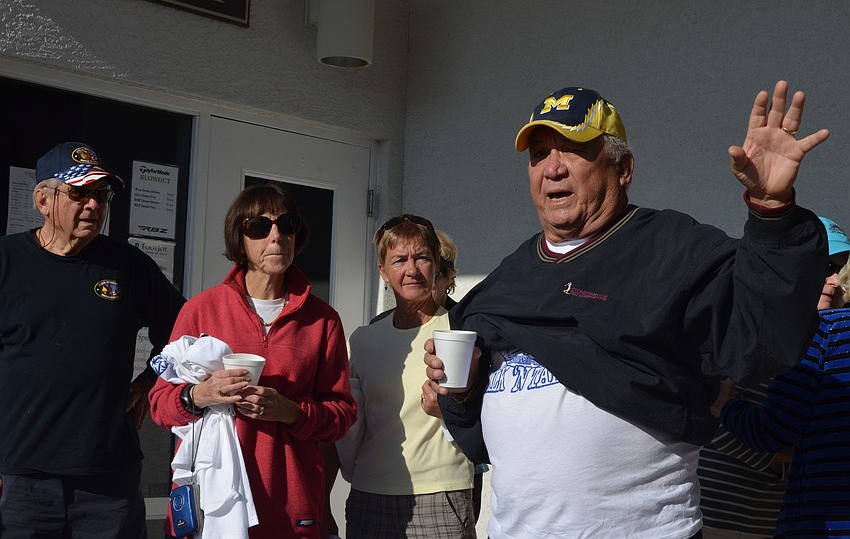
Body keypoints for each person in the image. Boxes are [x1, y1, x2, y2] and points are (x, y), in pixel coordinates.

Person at [423, 82, 830, 538]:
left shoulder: (675, 251)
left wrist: (771, 211)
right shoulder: (503, 285)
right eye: (539, 154)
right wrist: (456, 396)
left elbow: (763, 343)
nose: (552, 168)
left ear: (623, 168)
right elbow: (479, 441)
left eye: (573, 149)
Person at [149, 183, 356, 539]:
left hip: (289, 506)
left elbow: (342, 415)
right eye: (259, 227)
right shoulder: (201, 310)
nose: (275, 236)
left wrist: (292, 412)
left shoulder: (323, 320)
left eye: (286, 224)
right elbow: (160, 404)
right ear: (240, 238)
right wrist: (199, 395)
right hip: (210, 504)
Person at [0, 141, 185, 538]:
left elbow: (181, 330)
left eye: (101, 194)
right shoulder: (7, 261)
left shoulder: (128, 264)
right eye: (79, 192)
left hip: (108, 479)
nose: (93, 204)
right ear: (43, 201)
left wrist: (152, 379)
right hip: (20, 475)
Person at [699, 216, 850, 539]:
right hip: (722, 512)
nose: (836, 281)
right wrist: (780, 456)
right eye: (824, 268)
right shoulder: (738, 330)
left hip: (785, 514)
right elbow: (705, 413)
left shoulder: (827, 334)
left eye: (841, 268)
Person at [327, 215, 475, 539]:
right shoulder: (364, 339)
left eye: (422, 257)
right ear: (382, 271)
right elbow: (352, 425)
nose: (411, 269)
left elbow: (485, 418)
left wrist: (450, 409)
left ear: (437, 264)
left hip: (440, 493)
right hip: (370, 496)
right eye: (399, 260)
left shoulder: (460, 330)